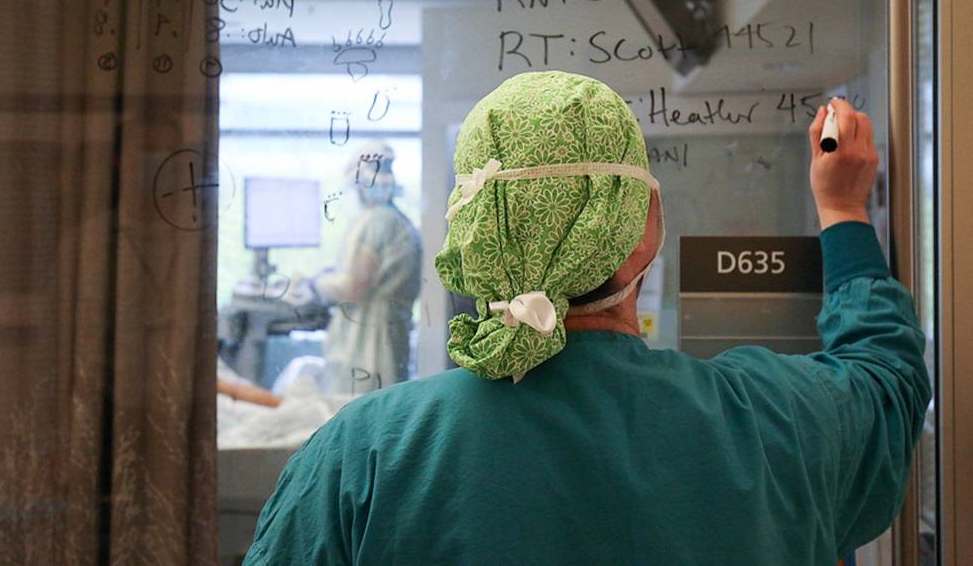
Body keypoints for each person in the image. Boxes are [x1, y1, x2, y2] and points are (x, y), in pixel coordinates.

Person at [244, 71, 930, 565]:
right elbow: (887, 379)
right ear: (645, 235)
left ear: (473, 236)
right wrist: (843, 211)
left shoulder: (364, 456)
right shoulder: (775, 423)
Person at [312, 141, 422, 395]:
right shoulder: (398, 219)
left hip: (367, 341)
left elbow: (354, 286)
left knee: (358, 414)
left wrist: (315, 284)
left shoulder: (376, 221)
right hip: (390, 333)